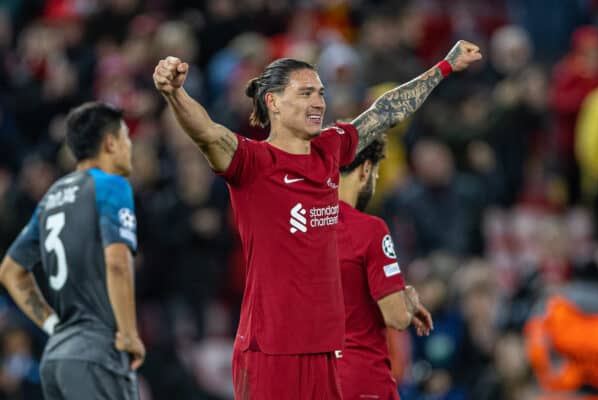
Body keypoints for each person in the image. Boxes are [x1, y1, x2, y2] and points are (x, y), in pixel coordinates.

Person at [153, 40, 480, 399]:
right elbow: (207, 132)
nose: (319, 102)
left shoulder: (329, 148)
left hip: (324, 351)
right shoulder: (252, 163)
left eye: (321, 93)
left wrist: (445, 66)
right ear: (273, 102)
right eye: (306, 92)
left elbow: (386, 111)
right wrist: (175, 94)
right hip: (270, 350)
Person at [0, 102, 145, 399]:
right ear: (109, 143)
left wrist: (52, 324)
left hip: (57, 356)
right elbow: (117, 262)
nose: (130, 146)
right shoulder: (111, 186)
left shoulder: (52, 197)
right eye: (126, 138)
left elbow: (10, 270)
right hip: (97, 352)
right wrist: (129, 335)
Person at [336, 137, 433, 400]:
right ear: (365, 169)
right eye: (377, 173)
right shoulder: (370, 229)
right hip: (361, 380)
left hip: (310, 380)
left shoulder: (300, 228)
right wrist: (407, 299)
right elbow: (397, 317)